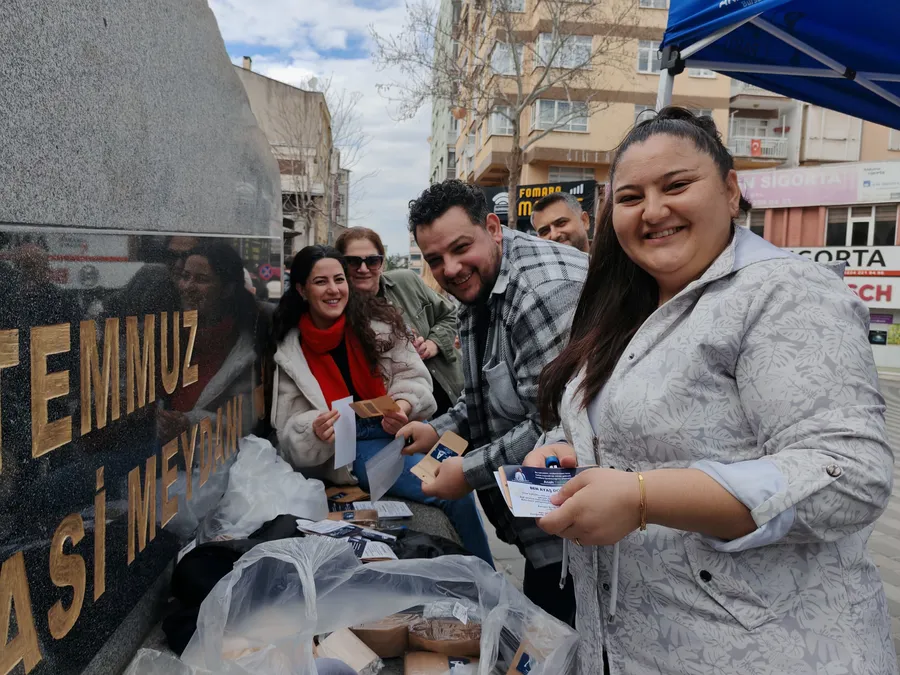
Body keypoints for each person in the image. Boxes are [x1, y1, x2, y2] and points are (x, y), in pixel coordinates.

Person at [526, 107, 896, 674]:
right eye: (630, 197)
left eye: (676, 185)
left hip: (765, 652)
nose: (654, 210)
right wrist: (562, 447)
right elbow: (610, 419)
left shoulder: (786, 293)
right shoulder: (625, 305)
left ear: (729, 190)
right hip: (630, 646)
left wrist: (644, 498)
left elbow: (849, 476)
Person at [398, 180, 589, 625]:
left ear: (492, 228)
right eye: (435, 259)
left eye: (460, 247)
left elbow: (554, 426)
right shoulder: (482, 280)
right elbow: (485, 393)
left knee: (558, 635)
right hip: (546, 524)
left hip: (581, 535)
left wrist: (466, 473)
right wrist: (437, 429)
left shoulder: (540, 293)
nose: (450, 268)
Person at [270, 245, 493, 565]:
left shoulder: (379, 321)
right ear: (302, 290)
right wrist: (315, 429)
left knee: (460, 479)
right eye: (321, 282)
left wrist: (402, 406)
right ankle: (483, 578)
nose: (333, 290)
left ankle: (485, 578)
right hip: (351, 447)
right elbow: (288, 426)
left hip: (399, 431)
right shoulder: (289, 350)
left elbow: (413, 377)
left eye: (339, 279)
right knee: (450, 493)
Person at [335, 227, 465, 416]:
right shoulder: (336, 310)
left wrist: (433, 344)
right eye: (353, 262)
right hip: (399, 412)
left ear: (382, 263)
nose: (363, 269)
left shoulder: (407, 281)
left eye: (372, 261)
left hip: (451, 392)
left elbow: (451, 314)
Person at [159, 242, 266, 442]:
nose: (187, 286)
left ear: (226, 289)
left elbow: (247, 423)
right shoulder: (167, 331)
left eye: (201, 279)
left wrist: (191, 421)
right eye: (185, 276)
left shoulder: (248, 344)